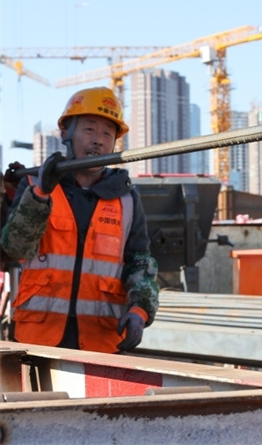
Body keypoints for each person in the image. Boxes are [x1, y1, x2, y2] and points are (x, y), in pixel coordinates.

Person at [0, 87, 159, 353]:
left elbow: (140, 263)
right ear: (65, 134)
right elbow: (14, 248)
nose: (98, 140)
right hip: (37, 339)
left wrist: (140, 310)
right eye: (89, 129)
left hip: (102, 341)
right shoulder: (34, 185)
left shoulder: (127, 199)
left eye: (107, 133)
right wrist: (40, 194)